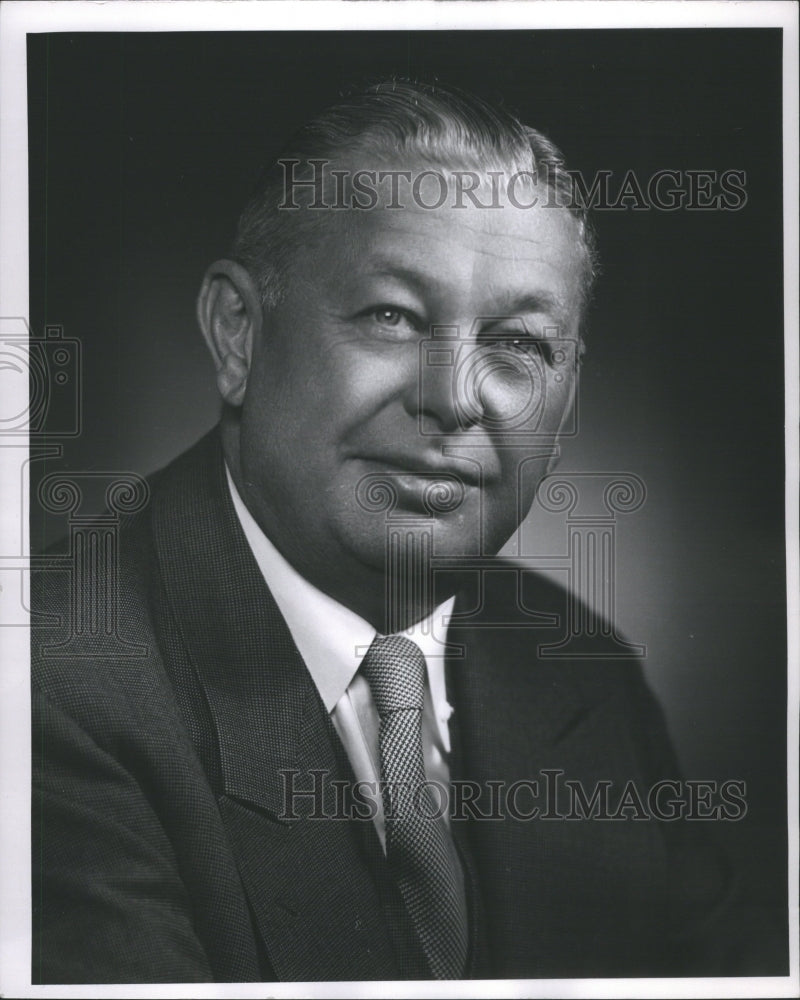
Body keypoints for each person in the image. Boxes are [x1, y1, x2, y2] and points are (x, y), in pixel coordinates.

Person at [32, 80, 741, 984]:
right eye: (392, 317)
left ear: (568, 401)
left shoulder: (578, 666)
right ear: (238, 337)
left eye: (516, 344)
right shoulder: (49, 689)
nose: (451, 399)